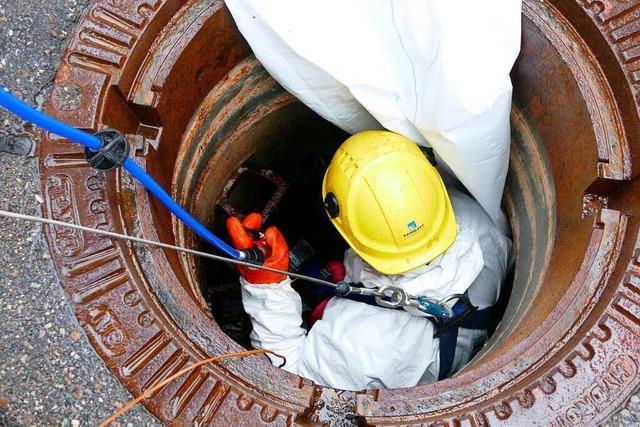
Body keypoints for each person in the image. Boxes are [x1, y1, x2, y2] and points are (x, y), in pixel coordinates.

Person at [226, 131, 512, 391]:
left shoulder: (361, 346)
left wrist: (266, 287)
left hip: (394, 363)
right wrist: (353, 281)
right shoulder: (479, 222)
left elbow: (287, 374)